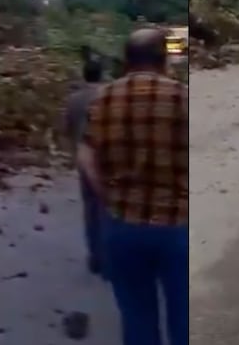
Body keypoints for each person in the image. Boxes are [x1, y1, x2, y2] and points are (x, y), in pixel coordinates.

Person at [79, 29, 188, 345]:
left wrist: (106, 196)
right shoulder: (183, 97)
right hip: (177, 226)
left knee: (137, 316)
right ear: (163, 60)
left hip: (123, 226)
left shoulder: (102, 99)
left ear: (126, 61)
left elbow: (85, 156)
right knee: (183, 317)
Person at [64, 56, 105, 276]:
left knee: (90, 208)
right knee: (109, 207)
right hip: (107, 156)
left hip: (83, 156)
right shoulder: (108, 95)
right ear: (102, 74)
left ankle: (95, 255)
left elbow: (67, 129)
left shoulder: (74, 99)